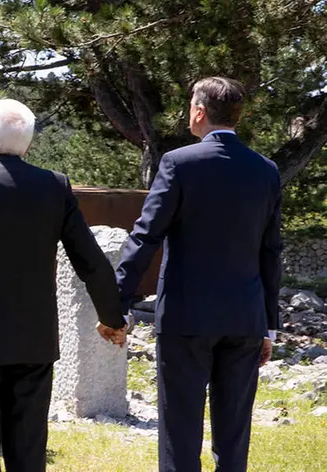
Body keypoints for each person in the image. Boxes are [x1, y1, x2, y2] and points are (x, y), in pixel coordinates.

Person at [0, 99, 127, 472]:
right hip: (34, 339)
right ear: (29, 144)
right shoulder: (54, 186)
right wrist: (112, 318)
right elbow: (91, 260)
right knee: (29, 450)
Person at [114, 77, 282, 472]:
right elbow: (271, 251)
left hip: (187, 318)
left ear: (200, 112)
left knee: (180, 433)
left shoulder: (178, 163)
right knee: (234, 435)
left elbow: (146, 235)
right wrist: (268, 326)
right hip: (245, 318)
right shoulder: (266, 170)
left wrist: (117, 301)